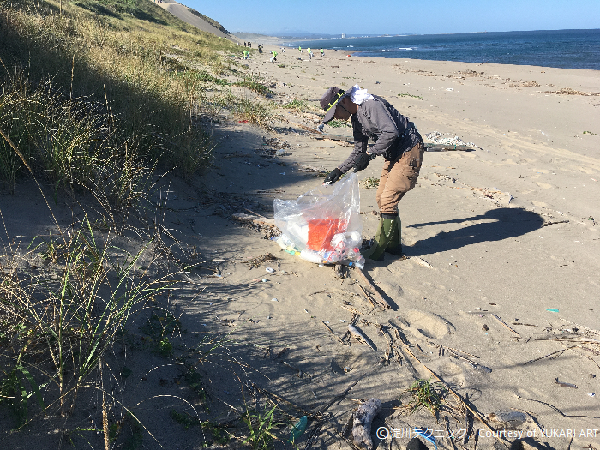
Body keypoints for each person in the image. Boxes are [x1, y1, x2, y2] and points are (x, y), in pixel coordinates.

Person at [318, 85, 424, 261]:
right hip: (392, 154)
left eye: (335, 113)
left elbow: (391, 131)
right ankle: (394, 246)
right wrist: (339, 170)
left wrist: (370, 154)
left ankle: (377, 251)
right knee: (381, 197)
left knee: (389, 199)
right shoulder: (355, 119)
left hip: (408, 150)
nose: (336, 118)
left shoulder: (370, 106)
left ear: (344, 101)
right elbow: (359, 150)